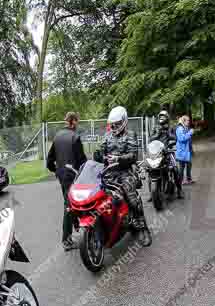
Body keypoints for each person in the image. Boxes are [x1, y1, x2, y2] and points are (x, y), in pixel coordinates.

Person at [93, 106, 152, 246]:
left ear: (124, 121)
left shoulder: (130, 135)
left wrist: (118, 159)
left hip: (126, 172)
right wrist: (98, 155)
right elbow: (101, 152)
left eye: (117, 124)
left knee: (132, 199)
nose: (114, 127)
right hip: (109, 172)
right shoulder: (107, 136)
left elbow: (133, 155)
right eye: (112, 124)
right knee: (97, 195)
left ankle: (143, 228)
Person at [46, 112, 87, 251]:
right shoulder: (75, 137)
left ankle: (77, 225)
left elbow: (49, 160)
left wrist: (56, 171)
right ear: (73, 121)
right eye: (77, 121)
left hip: (62, 176)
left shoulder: (57, 136)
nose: (77, 124)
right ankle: (66, 240)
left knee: (70, 202)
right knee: (70, 205)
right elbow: (82, 161)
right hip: (73, 176)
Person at [148, 110, 182, 200]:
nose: (162, 118)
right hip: (156, 153)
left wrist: (168, 134)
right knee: (150, 170)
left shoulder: (170, 128)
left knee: (175, 169)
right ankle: (152, 193)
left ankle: (179, 190)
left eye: (163, 117)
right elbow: (150, 139)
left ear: (167, 118)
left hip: (168, 151)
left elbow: (175, 138)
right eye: (160, 117)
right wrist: (157, 134)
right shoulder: (155, 128)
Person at [176, 115, 194, 185]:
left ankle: (188, 179)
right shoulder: (180, 128)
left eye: (189, 120)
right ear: (184, 121)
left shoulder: (185, 127)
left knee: (189, 165)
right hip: (182, 152)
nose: (189, 122)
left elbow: (189, 141)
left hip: (187, 151)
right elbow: (182, 138)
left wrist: (191, 149)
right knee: (181, 167)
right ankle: (180, 181)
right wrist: (190, 133)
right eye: (188, 120)